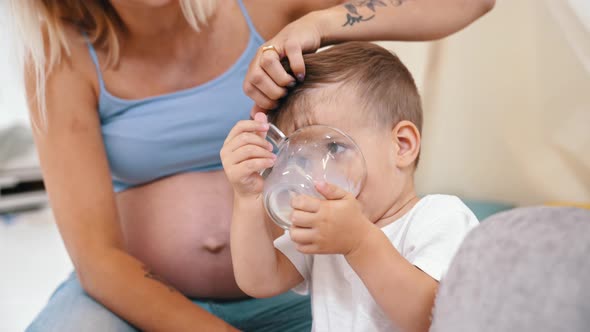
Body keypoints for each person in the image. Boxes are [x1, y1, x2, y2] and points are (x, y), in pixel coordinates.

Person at [10, 0, 494, 331]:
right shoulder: (60, 58)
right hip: (143, 305)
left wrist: (321, 23)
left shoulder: (257, 5)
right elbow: (97, 259)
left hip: (299, 295)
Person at [221, 42, 479, 332]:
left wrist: (359, 243)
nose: (319, 175)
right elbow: (260, 280)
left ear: (402, 145)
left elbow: (429, 317)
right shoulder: (327, 225)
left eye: (334, 148)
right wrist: (247, 198)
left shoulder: (439, 216)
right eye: (302, 159)